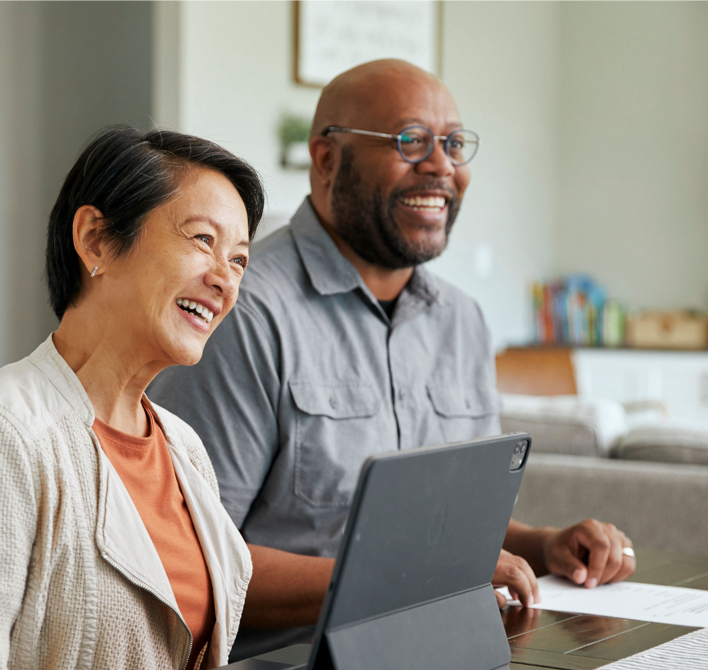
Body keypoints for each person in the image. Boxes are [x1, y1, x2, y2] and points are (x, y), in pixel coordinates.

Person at [147, 59, 637, 659]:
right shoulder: (241, 313)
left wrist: (544, 544)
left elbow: (436, 524)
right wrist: (413, 584)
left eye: (454, 144)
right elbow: (189, 555)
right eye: (411, 141)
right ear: (326, 159)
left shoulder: (462, 321)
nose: (441, 166)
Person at [0, 127, 274, 669]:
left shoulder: (184, 448)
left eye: (239, 260)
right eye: (203, 241)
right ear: (95, 239)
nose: (224, 281)